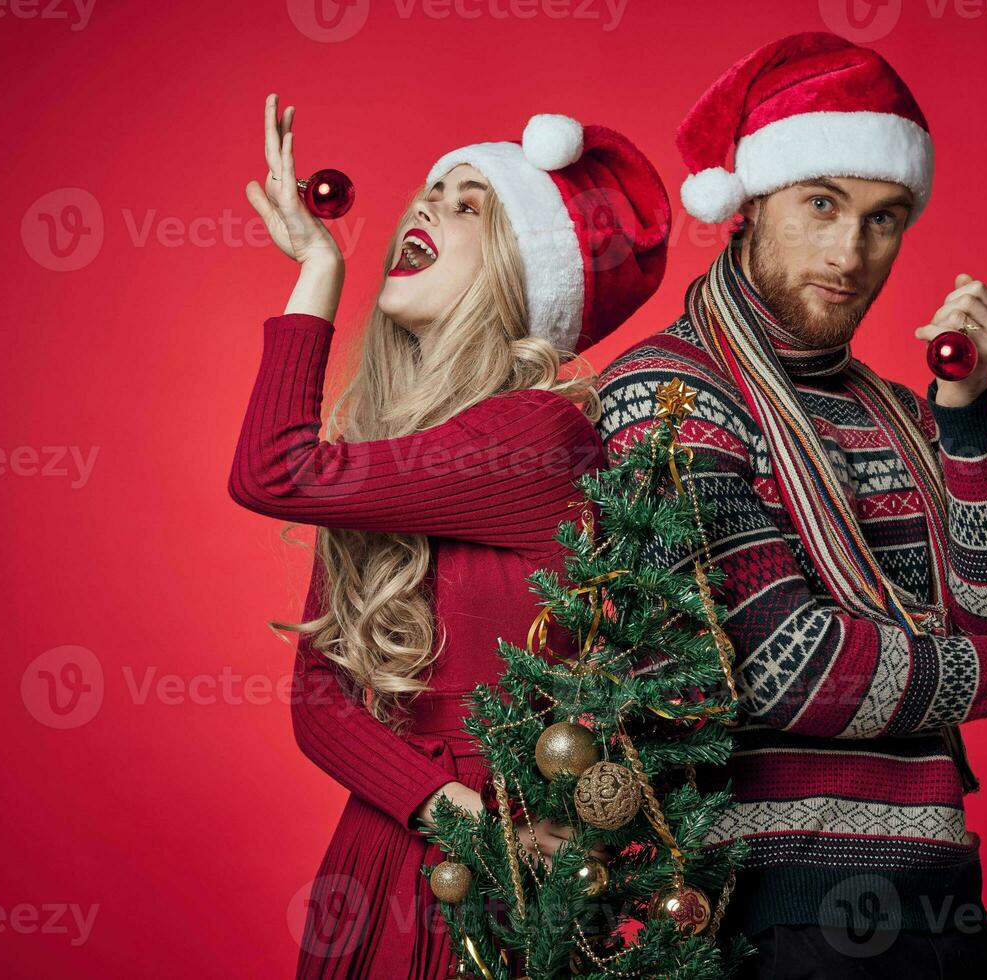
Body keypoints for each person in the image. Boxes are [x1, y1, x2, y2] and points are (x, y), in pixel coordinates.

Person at [595, 34, 987, 979]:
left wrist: (972, 425)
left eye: (884, 217)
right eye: (821, 203)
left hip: (942, 911)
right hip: (767, 917)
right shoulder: (666, 394)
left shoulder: (904, 415)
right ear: (746, 205)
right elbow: (787, 665)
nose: (851, 251)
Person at [230, 94, 670, 979]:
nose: (425, 205)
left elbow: (271, 473)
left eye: (469, 202)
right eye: (431, 189)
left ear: (522, 275)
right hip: (384, 854)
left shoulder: (536, 438)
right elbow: (319, 698)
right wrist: (437, 802)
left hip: (500, 878)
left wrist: (319, 268)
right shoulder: (392, 455)